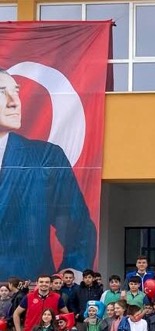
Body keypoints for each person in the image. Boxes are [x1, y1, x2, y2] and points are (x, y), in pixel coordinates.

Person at [0, 69, 96, 280]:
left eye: (15, 92)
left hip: (31, 289)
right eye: (1, 92)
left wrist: (70, 275)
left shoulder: (46, 157)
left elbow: (78, 227)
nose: (14, 102)